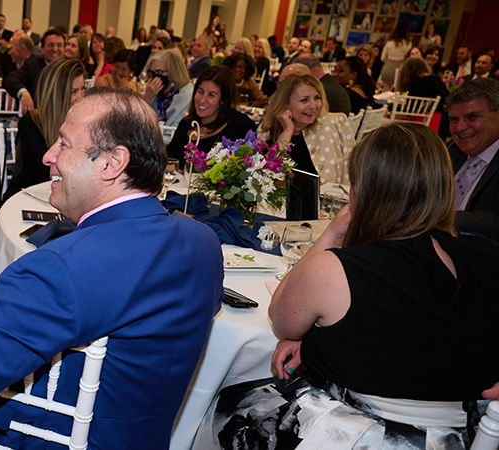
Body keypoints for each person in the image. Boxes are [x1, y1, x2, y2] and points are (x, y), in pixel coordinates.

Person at [0, 87, 223, 449]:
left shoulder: (58, 268)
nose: (48, 156)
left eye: (64, 144)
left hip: (53, 436)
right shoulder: (203, 242)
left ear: (112, 163)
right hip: (135, 433)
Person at [214, 122, 499, 448]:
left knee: (232, 401)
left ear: (361, 191)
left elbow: (282, 318)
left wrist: (333, 233)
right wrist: (315, 342)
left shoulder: (337, 269)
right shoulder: (487, 256)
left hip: (358, 436)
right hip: (462, 437)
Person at [258, 74, 354, 216]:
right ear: (286, 105)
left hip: (329, 213)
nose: (313, 106)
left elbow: (353, 170)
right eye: (304, 100)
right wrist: (288, 130)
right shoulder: (267, 131)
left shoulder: (334, 124)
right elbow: (269, 175)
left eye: (317, 98)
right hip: (279, 212)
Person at [2, 59, 86, 200]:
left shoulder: (85, 122)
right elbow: (43, 172)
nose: (81, 97)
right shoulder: (31, 123)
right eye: (74, 92)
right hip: (30, 196)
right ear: (57, 94)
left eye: (82, 89)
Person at [167, 66, 256, 168]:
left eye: (211, 95)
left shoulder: (240, 128)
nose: (202, 100)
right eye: (200, 92)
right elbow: (169, 161)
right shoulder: (187, 124)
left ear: (223, 100)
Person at [447, 78, 499, 240]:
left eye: (472, 117)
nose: (460, 128)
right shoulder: (453, 150)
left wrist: (445, 219)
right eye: (453, 119)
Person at [3, 28, 65, 114]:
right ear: (42, 50)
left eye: (59, 45)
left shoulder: (69, 68)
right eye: (50, 45)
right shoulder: (33, 66)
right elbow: (10, 79)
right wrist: (23, 92)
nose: (55, 49)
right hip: (38, 118)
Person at [143, 48, 193, 126]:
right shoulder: (155, 92)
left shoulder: (186, 93)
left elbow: (170, 126)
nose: (154, 78)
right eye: (151, 73)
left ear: (173, 72)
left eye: (159, 72)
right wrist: (147, 98)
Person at [379, 21, 411, 90]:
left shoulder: (390, 42)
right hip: (400, 68)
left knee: (386, 92)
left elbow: (382, 58)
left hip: (388, 66)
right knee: (396, 93)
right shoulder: (408, 43)